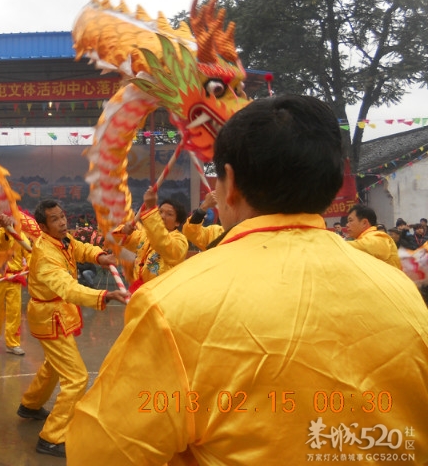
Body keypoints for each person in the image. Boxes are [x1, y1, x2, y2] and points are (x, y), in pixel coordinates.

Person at [66, 95, 428, 465]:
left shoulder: (169, 307)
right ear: (332, 182)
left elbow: (101, 452)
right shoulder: (406, 297)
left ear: (231, 183)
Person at [17, 199, 128, 459]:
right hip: (50, 316)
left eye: (62, 216)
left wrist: (100, 256)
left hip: (57, 313)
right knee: (76, 377)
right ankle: (52, 437)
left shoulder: (63, 240)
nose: (63, 222)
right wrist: (103, 296)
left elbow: (79, 248)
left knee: (54, 365)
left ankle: (30, 405)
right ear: (43, 226)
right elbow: (69, 288)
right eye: (55, 219)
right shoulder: (45, 255)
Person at [113, 194, 189, 292]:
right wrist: (124, 230)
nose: (162, 216)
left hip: (162, 293)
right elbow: (118, 239)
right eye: (160, 212)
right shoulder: (144, 235)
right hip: (139, 290)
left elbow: (161, 242)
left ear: (177, 222)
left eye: (169, 214)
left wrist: (151, 211)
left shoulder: (180, 241)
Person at [0, 229, 32, 355]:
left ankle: (12, 343)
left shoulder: (20, 235)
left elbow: (29, 254)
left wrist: (28, 266)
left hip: (14, 278)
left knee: (14, 311)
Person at [346, 204, 401, 268]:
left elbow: (366, 246)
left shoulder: (379, 237)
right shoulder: (363, 239)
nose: (347, 225)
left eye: (350, 220)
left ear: (364, 223)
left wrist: (335, 242)